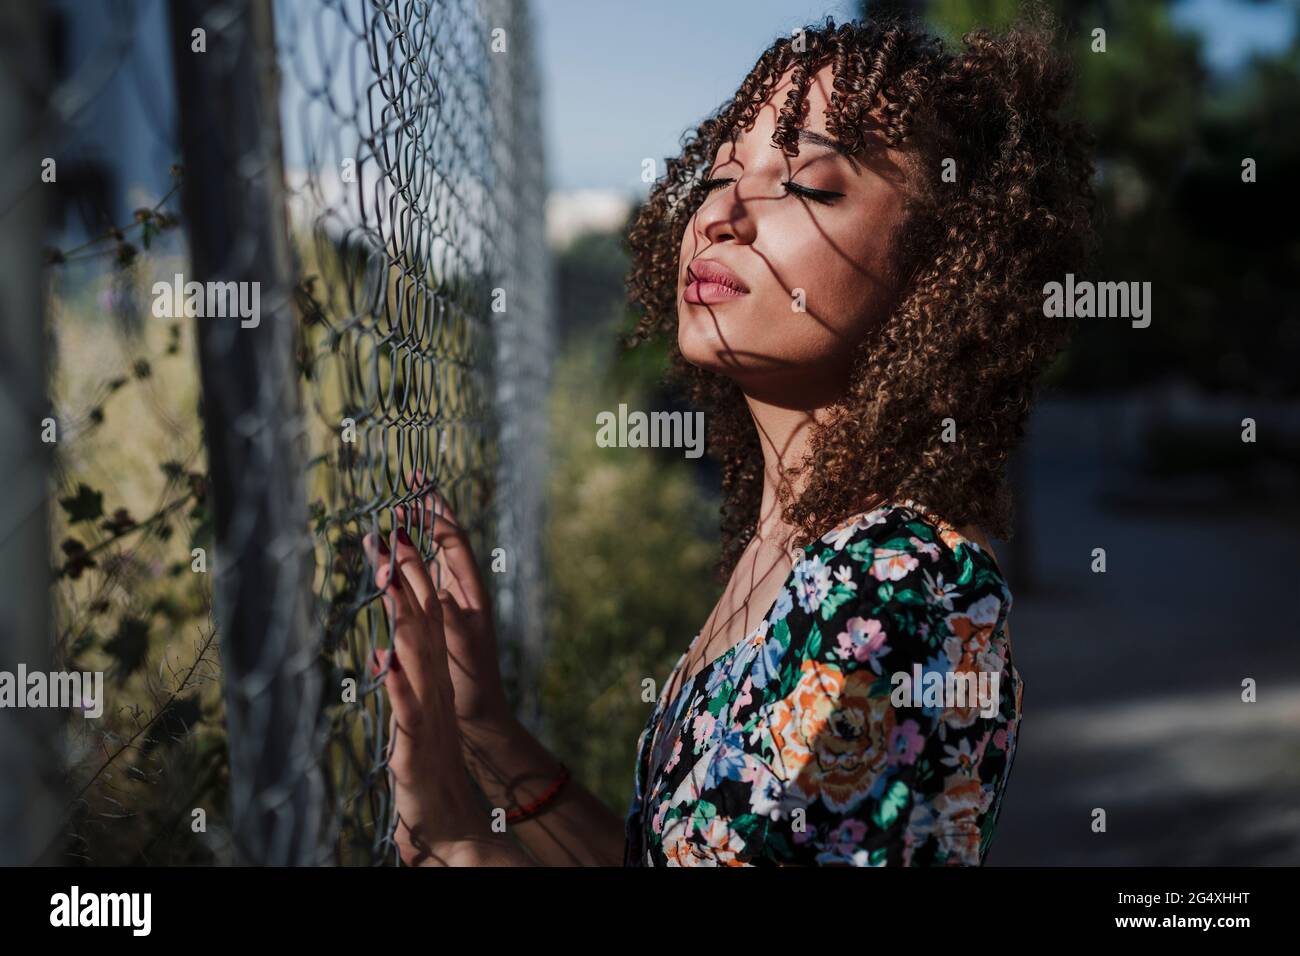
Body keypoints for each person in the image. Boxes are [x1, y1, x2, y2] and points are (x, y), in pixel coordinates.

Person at [360, 10, 1094, 866]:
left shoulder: (902, 593)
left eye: (810, 184)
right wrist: (486, 732)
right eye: (717, 175)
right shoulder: (792, 550)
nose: (721, 215)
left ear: (937, 275)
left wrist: (458, 839)